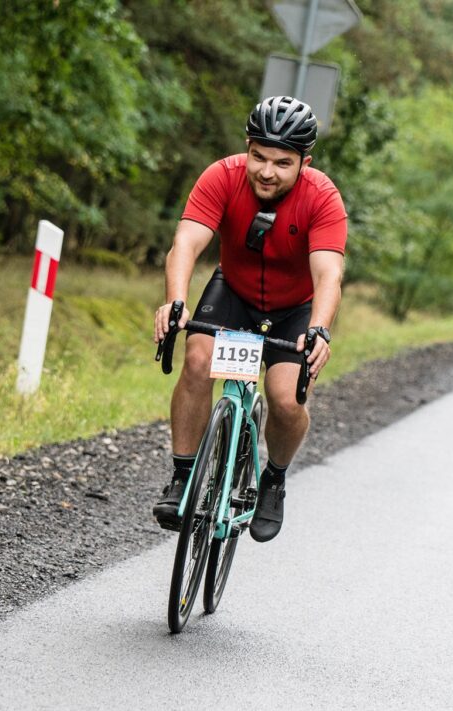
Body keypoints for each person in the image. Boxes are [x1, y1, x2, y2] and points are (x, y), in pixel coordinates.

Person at [151, 96, 346, 542]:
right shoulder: (221, 176)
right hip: (234, 294)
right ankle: (183, 477)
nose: (267, 172)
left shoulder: (322, 197)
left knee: (285, 400)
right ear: (247, 147)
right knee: (197, 361)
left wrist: (319, 328)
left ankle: (273, 480)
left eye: (282, 163)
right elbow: (185, 244)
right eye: (259, 157)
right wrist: (175, 301)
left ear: (304, 163)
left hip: (294, 309)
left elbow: (328, 273)